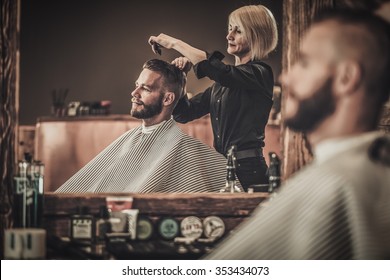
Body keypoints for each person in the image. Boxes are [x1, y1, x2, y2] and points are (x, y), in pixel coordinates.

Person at [204, 9, 390, 259]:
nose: (286, 76)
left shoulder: (340, 186)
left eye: (304, 62)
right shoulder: (366, 172)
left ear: (347, 77)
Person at [148, 4, 278, 191]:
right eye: (229, 28)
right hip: (222, 167)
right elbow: (184, 114)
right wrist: (182, 80)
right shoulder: (220, 87)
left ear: (256, 35)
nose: (229, 35)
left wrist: (176, 44)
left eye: (238, 30)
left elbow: (221, 71)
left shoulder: (260, 73)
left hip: (250, 170)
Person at [55, 59, 229, 193]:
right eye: (136, 86)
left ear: (168, 99)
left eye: (145, 89)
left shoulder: (185, 148)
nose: (134, 93)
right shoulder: (130, 139)